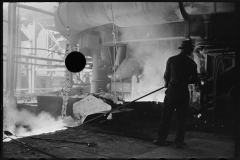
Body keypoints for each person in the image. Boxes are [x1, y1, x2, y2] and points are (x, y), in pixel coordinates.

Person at [153, 39, 200, 148]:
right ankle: (178, 142)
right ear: (189, 50)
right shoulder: (192, 63)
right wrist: (184, 81)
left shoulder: (171, 60)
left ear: (182, 49)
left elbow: (166, 76)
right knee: (181, 118)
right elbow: (194, 80)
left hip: (172, 91)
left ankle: (161, 140)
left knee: (166, 117)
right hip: (183, 92)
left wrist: (168, 83)